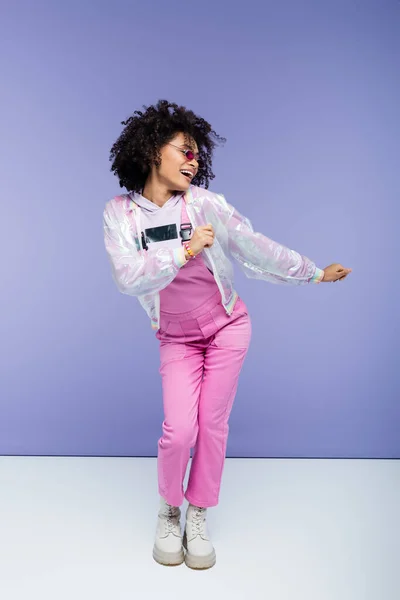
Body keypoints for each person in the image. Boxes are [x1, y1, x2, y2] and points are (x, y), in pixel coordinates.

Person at [103, 99, 352, 570]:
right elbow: (128, 277)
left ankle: (198, 512)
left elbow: (257, 247)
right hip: (176, 338)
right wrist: (183, 250)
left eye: (197, 153)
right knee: (179, 430)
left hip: (226, 329)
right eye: (184, 149)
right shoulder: (120, 215)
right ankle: (169, 509)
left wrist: (313, 272)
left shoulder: (205, 204)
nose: (193, 160)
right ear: (152, 150)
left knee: (212, 427)